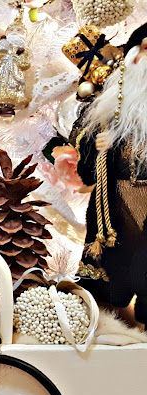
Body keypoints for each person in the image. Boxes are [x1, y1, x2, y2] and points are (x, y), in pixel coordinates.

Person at [72, 23, 147, 326]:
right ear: (132, 56)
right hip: (114, 203)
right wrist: (97, 146)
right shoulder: (108, 105)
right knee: (109, 278)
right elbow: (87, 172)